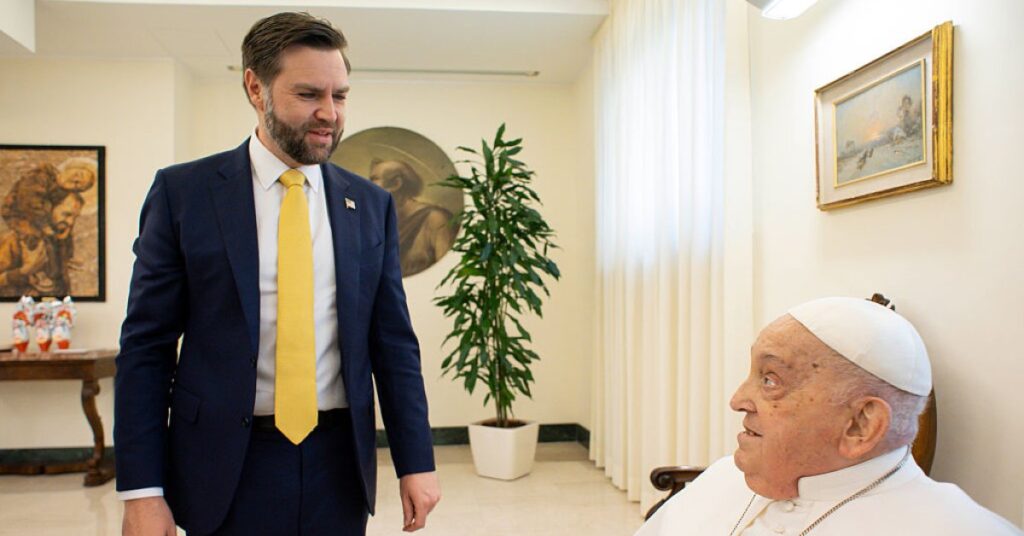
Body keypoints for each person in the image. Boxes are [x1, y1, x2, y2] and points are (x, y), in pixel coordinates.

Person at [114, 12, 440, 536]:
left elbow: (394, 344)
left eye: (340, 95)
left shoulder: (370, 204)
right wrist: (142, 491)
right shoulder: (184, 194)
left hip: (339, 464)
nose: (329, 113)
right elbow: (146, 349)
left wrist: (416, 461)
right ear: (255, 87)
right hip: (223, 464)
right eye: (309, 94)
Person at [636, 297, 1023, 535]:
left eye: (770, 380)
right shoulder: (720, 478)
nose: (737, 400)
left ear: (860, 425)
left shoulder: (962, 529)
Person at [367, 159, 455, 276]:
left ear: (396, 184)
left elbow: (448, 272)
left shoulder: (436, 220)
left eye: (374, 179)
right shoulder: (378, 222)